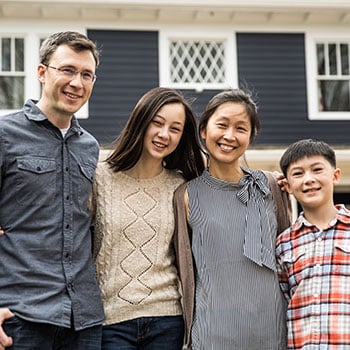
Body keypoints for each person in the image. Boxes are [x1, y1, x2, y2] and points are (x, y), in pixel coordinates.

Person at [0, 31, 104, 350]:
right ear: (42, 73)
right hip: (22, 316)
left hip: (84, 321)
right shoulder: (5, 134)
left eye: (86, 74)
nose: (77, 82)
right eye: (68, 70)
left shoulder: (90, 148)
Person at [173, 88, 292, 349]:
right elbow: (184, 270)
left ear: (251, 136)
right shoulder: (185, 195)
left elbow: (289, 255)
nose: (230, 136)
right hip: (213, 333)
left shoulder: (271, 186)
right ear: (203, 130)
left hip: (272, 331)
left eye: (241, 128)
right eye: (222, 125)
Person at [89, 87, 205, 349]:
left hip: (167, 320)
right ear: (141, 121)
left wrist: (272, 184)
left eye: (175, 129)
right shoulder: (99, 178)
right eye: (158, 123)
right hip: (111, 320)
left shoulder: (182, 186)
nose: (164, 134)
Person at [276, 138, 350, 349]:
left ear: (335, 176)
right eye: (298, 173)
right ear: (288, 186)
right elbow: (282, 303)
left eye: (317, 170)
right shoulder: (284, 243)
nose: (308, 179)